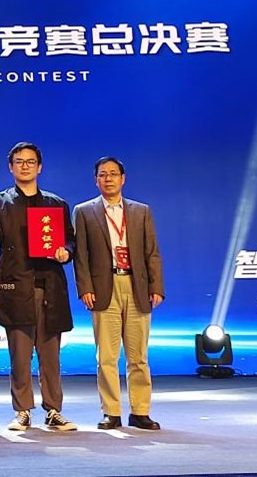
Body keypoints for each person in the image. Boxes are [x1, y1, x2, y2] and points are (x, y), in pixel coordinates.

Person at [0, 142, 78, 432]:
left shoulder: (56, 204)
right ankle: (22, 410)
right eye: (19, 162)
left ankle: (54, 410)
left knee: (51, 358)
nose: (25, 166)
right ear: (10, 167)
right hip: (16, 288)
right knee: (20, 357)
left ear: (40, 167)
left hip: (49, 287)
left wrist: (65, 252)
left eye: (30, 162)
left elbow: (71, 240)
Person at [73, 157, 164, 431]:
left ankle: (140, 411)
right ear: (96, 180)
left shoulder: (141, 211)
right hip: (104, 287)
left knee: (139, 357)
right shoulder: (84, 211)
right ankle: (111, 412)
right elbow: (81, 255)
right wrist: (85, 288)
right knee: (106, 357)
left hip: (136, 286)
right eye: (103, 175)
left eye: (113, 174)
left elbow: (152, 252)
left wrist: (156, 287)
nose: (108, 179)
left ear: (123, 179)